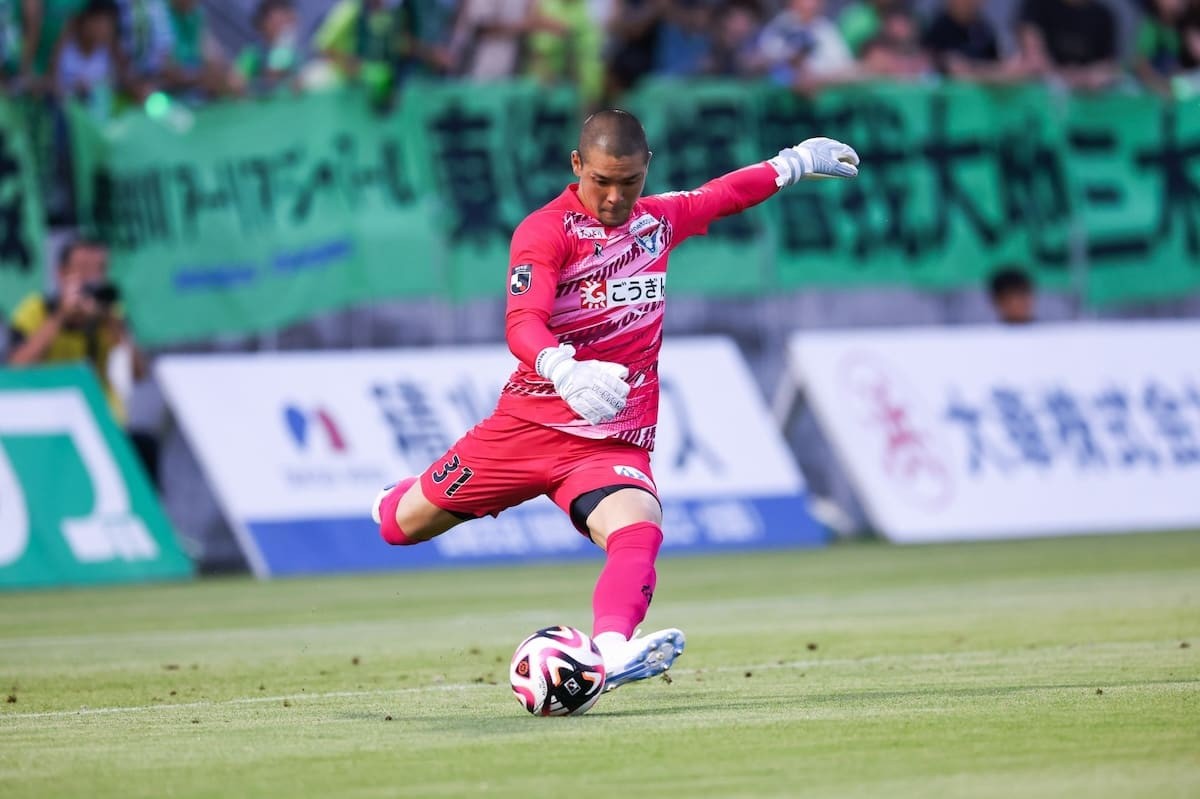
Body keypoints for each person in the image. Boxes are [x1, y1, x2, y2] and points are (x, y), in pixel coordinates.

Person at [371, 110, 859, 691]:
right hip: (528, 427)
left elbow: (720, 195)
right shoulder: (545, 231)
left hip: (608, 441)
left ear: (646, 170)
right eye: (601, 180)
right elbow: (522, 320)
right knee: (401, 526)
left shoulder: (655, 221)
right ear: (577, 166)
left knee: (640, 527)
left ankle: (608, 654)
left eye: (628, 182)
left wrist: (792, 164)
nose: (613, 196)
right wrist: (562, 367)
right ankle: (394, 496)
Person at [6, 238, 158, 481]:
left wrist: (112, 324)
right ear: (61, 273)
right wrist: (61, 317)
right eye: (83, 269)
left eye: (99, 270)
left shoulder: (110, 315)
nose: (91, 278)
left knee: (144, 446)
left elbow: (138, 374)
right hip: (45, 421)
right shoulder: (37, 310)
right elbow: (14, 370)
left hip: (101, 420)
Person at [1017, 0, 1120, 92]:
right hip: (1044, 85)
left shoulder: (1103, 15)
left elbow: (1107, 64)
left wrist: (1082, 77)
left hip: (1087, 92)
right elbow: (1033, 53)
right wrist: (1061, 76)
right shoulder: (1037, 5)